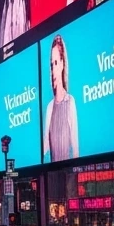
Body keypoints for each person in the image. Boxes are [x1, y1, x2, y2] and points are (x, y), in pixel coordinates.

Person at [43, 35, 79, 163]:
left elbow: (75, 150)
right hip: (51, 177)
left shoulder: (70, 102)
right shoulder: (49, 107)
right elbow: (44, 149)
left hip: (70, 177)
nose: (53, 70)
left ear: (63, 64)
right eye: (52, 65)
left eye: (56, 63)